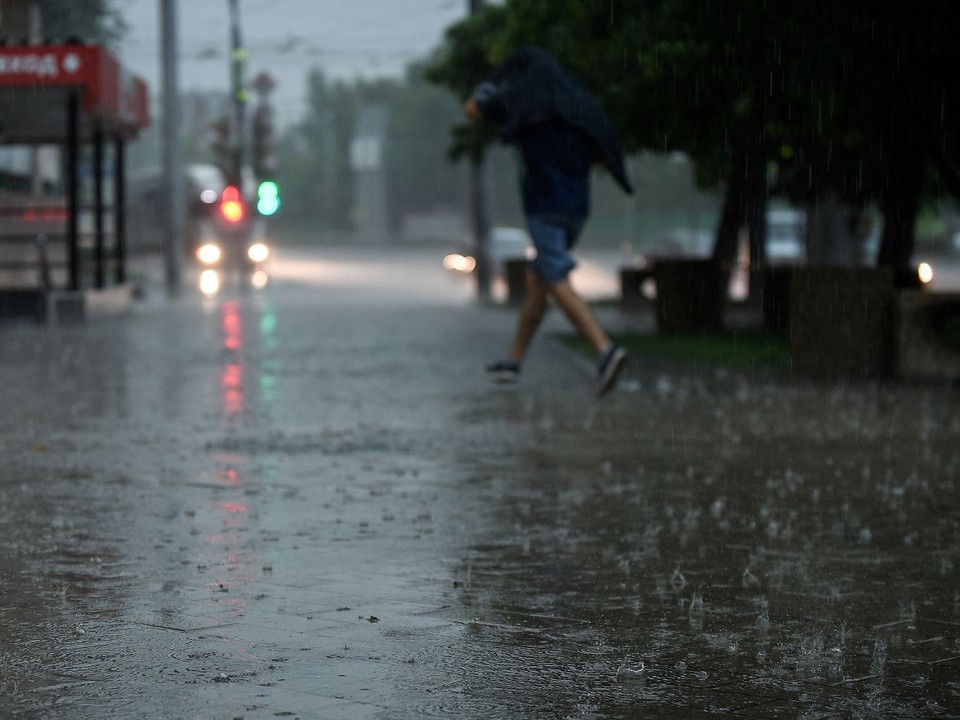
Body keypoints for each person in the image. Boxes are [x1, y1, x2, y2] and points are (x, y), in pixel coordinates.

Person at [464, 47, 632, 397]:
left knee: (555, 276)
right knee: (538, 280)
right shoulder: (578, 106)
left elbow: (473, 109)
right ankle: (513, 360)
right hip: (577, 208)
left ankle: (604, 350)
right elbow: (603, 150)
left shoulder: (523, 99)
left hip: (543, 205)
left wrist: (490, 85)